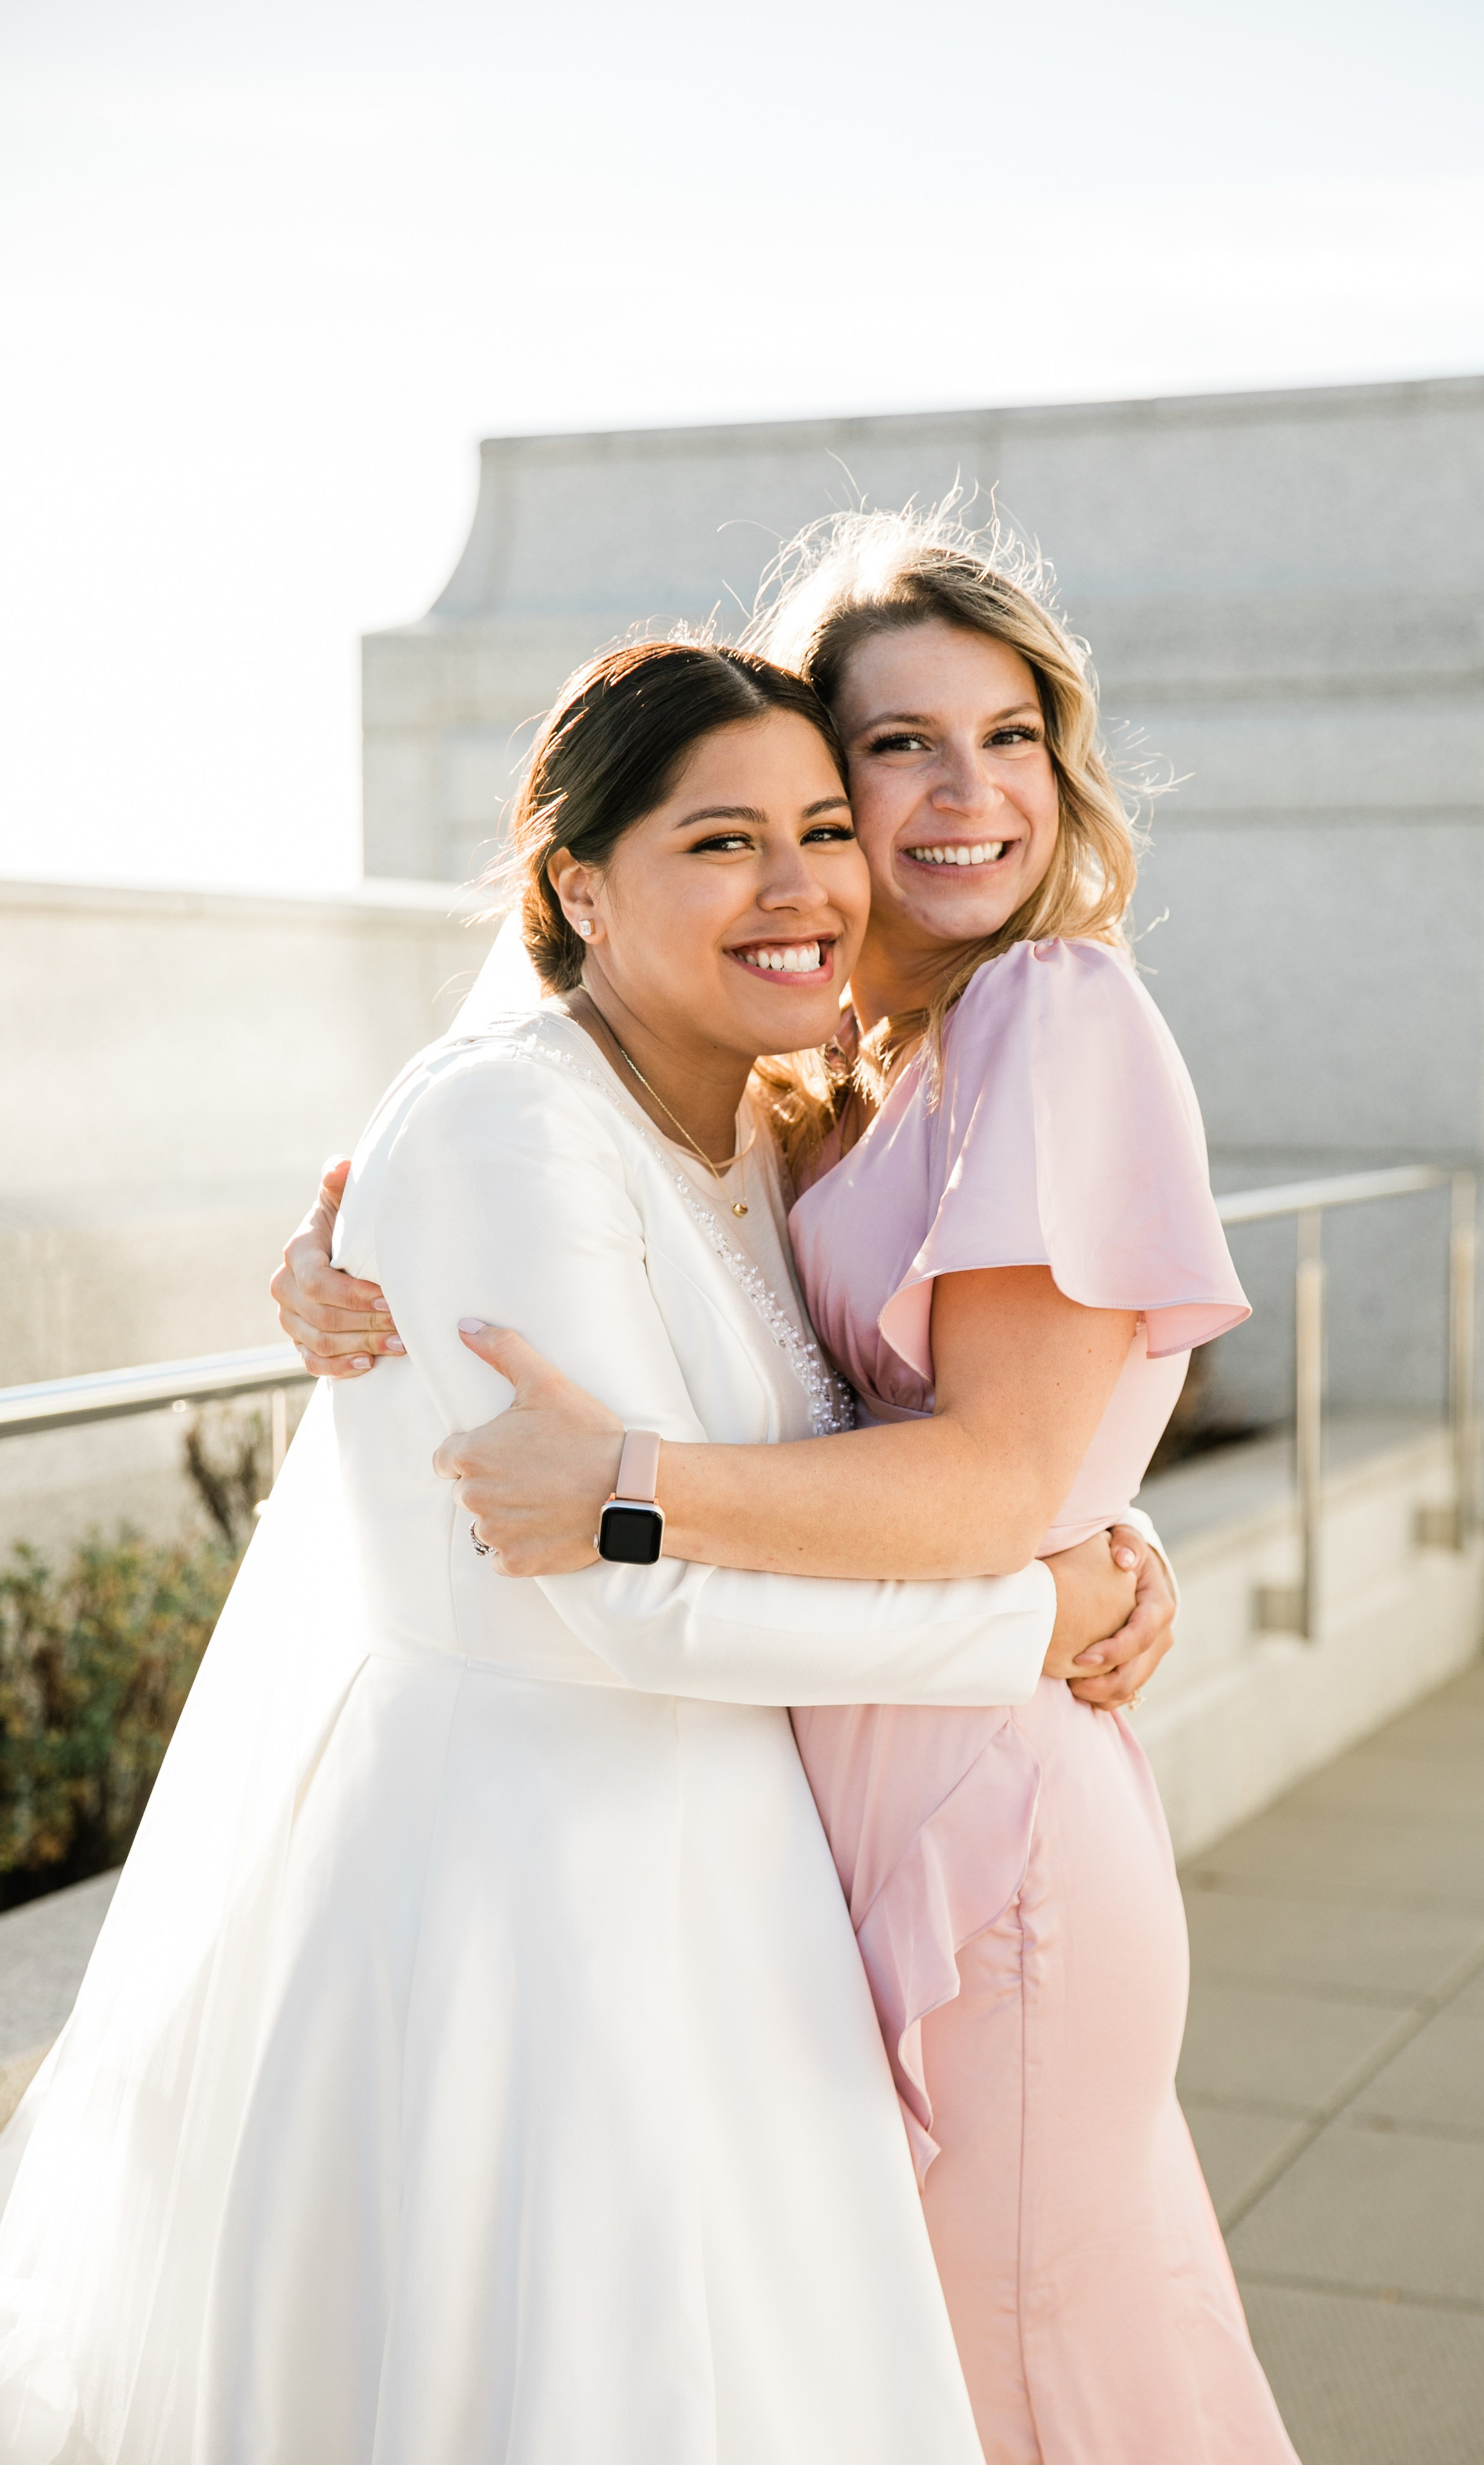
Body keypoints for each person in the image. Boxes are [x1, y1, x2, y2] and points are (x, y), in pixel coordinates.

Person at [0, 641, 1139, 2465]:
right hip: (524, 1899)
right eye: (721, 843)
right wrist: (1036, 1617)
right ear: (574, 888)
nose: (801, 888)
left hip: (726, 1878)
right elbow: (625, 1608)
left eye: (824, 829)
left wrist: (1102, 1523)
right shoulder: (504, 1125)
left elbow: (883, 1425)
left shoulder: (754, 1128)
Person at [277, 515, 1301, 2462]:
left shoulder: (1047, 1014)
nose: (963, 794)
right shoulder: (829, 1072)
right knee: (942, 2361)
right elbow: (590, 1182)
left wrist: (636, 1484)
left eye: (1012, 735)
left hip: (981, 1805)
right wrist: (350, 1266)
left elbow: (1003, 1466)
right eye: (896, 749)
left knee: (1037, 2370)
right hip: (844, 1790)